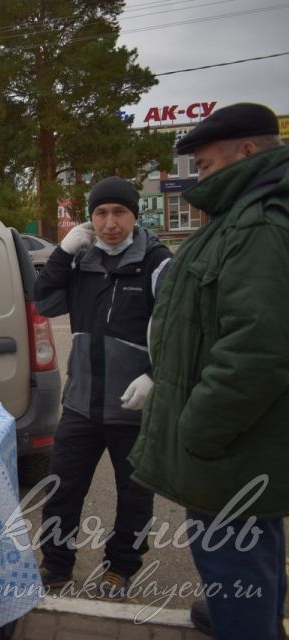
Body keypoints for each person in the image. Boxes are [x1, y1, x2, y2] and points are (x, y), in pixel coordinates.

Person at [129, 102, 288, 640]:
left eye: (203, 163)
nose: (197, 175)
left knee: (234, 548)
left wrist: (201, 427)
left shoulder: (258, 225)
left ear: (246, 150)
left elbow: (258, 349)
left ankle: (246, 625)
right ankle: (243, 618)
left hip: (232, 443)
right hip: (242, 444)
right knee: (252, 543)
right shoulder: (240, 217)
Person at [34, 176, 172, 599]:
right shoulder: (82, 262)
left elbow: (181, 331)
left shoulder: (157, 263)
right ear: (91, 219)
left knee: (133, 499)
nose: (111, 222)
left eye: (120, 212)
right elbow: (44, 301)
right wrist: (62, 252)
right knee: (61, 491)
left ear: (134, 215)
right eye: (101, 213)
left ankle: (120, 569)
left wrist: (155, 375)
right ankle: (56, 569)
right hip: (81, 406)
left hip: (133, 409)